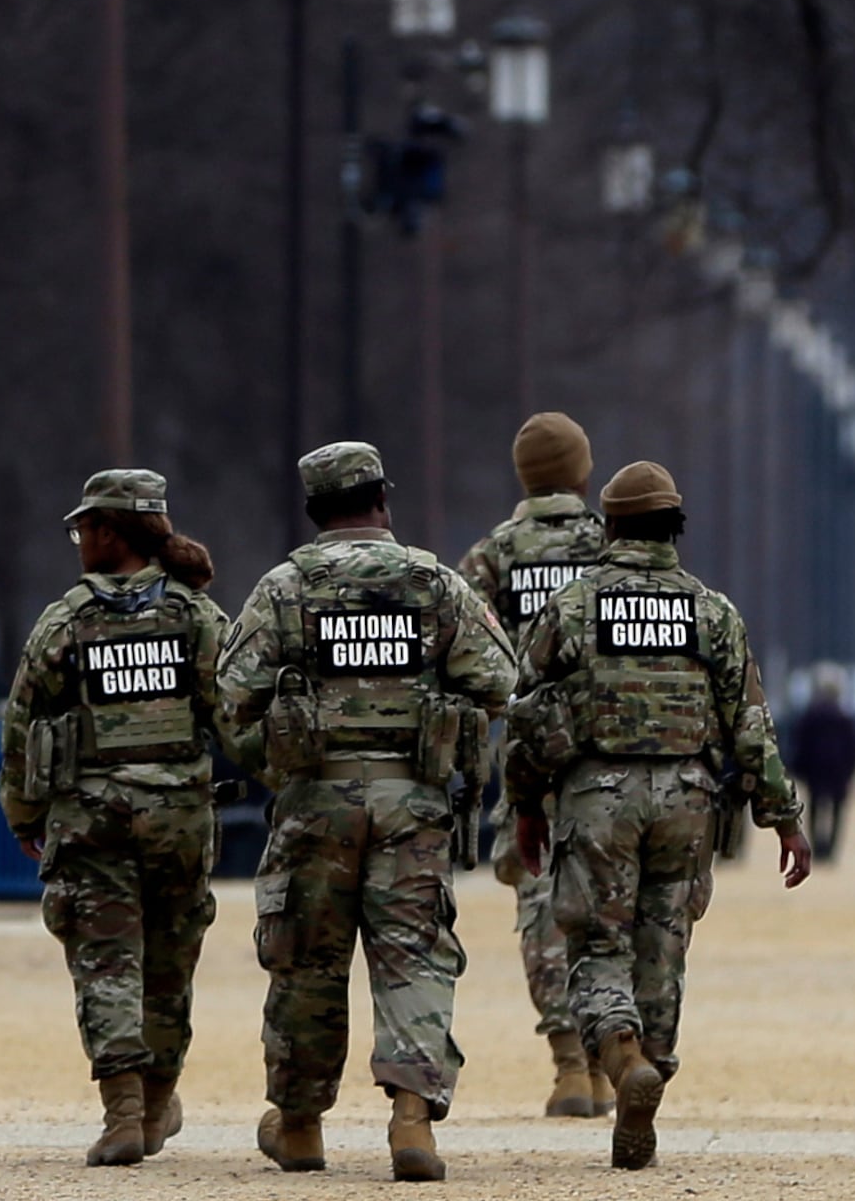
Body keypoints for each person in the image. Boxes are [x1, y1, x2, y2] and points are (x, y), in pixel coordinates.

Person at [218, 441, 519, 1181]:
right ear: (383, 498)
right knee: (413, 955)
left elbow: (232, 695)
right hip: (413, 801)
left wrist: (276, 758)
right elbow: (500, 679)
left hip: (314, 801)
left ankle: (299, 1125)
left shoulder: (285, 587)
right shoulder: (434, 583)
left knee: (306, 960)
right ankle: (412, 1121)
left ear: (315, 509)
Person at [506, 461, 811, 1171]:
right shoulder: (713, 612)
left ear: (610, 527)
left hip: (597, 796)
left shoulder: (573, 607)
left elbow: (526, 717)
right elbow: (752, 728)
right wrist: (785, 819)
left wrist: (525, 804)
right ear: (675, 527)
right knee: (664, 941)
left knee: (596, 942)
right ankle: (654, 1068)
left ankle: (619, 1052)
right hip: (689, 798)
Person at [1, 469, 230, 1166]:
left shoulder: (66, 620)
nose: (79, 542)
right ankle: (157, 1101)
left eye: (84, 529)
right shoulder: (196, 616)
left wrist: (22, 813)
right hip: (178, 817)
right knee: (169, 962)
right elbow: (237, 712)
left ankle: (124, 1111)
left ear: (110, 532)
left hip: (90, 816)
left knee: (106, 962)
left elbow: (22, 724)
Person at [450, 411, 612, 1120]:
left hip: (528, 758)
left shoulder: (492, 555)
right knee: (614, 903)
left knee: (542, 912)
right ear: (582, 473)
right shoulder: (616, 545)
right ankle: (617, 1051)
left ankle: (570, 1065)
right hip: (613, 755)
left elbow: (465, 654)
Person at [782, 669, 855, 864]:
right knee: (837, 810)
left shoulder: (810, 716)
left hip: (816, 769)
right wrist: (850, 771)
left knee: (814, 808)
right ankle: (831, 849)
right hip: (838, 771)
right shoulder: (845, 718)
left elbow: (799, 744)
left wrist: (798, 769)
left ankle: (816, 847)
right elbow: (854, 747)